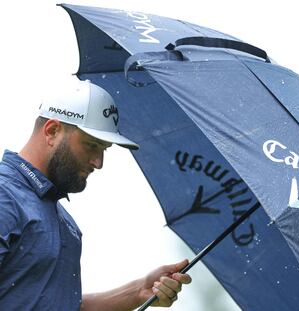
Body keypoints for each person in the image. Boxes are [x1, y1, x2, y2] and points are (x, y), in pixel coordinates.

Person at [0, 80, 191, 310]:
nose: (98, 163)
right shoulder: (5, 197)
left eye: (104, 149)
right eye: (92, 145)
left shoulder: (64, 222)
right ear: (52, 131)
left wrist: (138, 292)